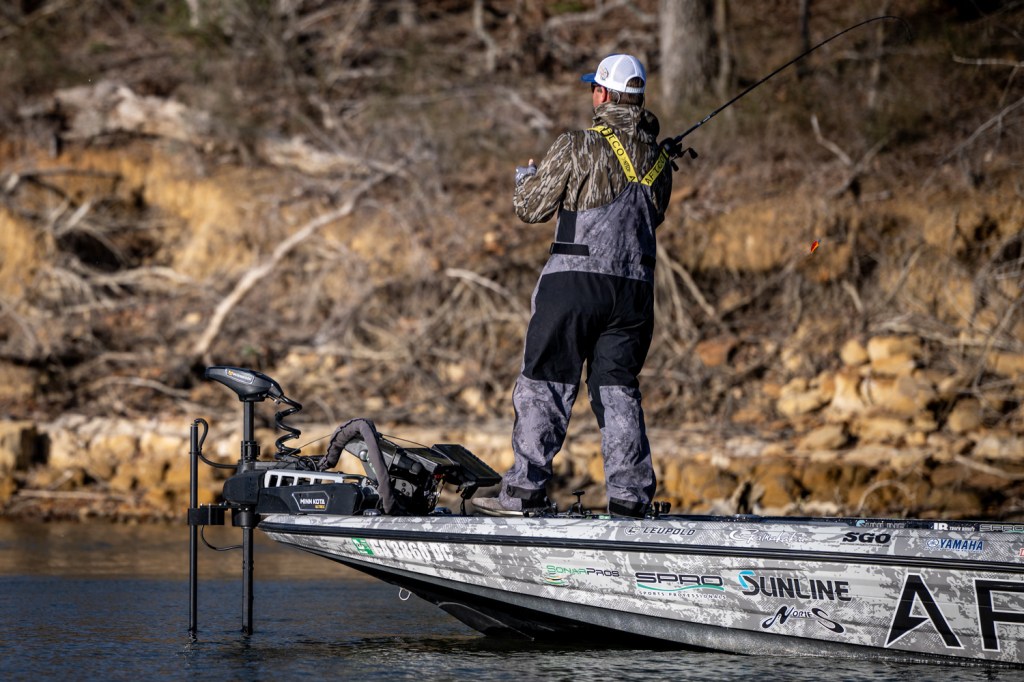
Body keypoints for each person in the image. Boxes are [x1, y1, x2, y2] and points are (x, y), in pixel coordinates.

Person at [474, 54, 676, 518]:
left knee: (545, 382)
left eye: (593, 88)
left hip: (573, 284)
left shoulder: (577, 144)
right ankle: (629, 499)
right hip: (634, 292)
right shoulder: (661, 161)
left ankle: (524, 491)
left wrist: (525, 177)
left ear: (602, 94)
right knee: (617, 389)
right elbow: (654, 216)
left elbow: (531, 209)